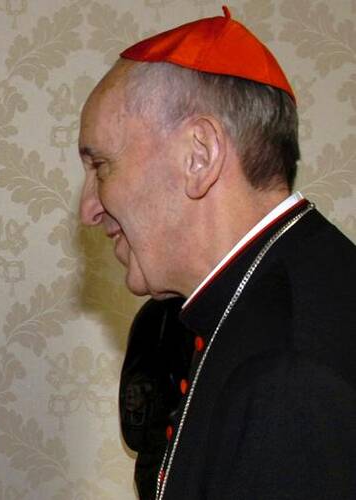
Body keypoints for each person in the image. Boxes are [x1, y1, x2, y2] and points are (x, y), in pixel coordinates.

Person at [78, 7, 356, 500]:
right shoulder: (248, 298)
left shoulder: (287, 375)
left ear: (199, 156)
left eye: (101, 165)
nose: (88, 209)